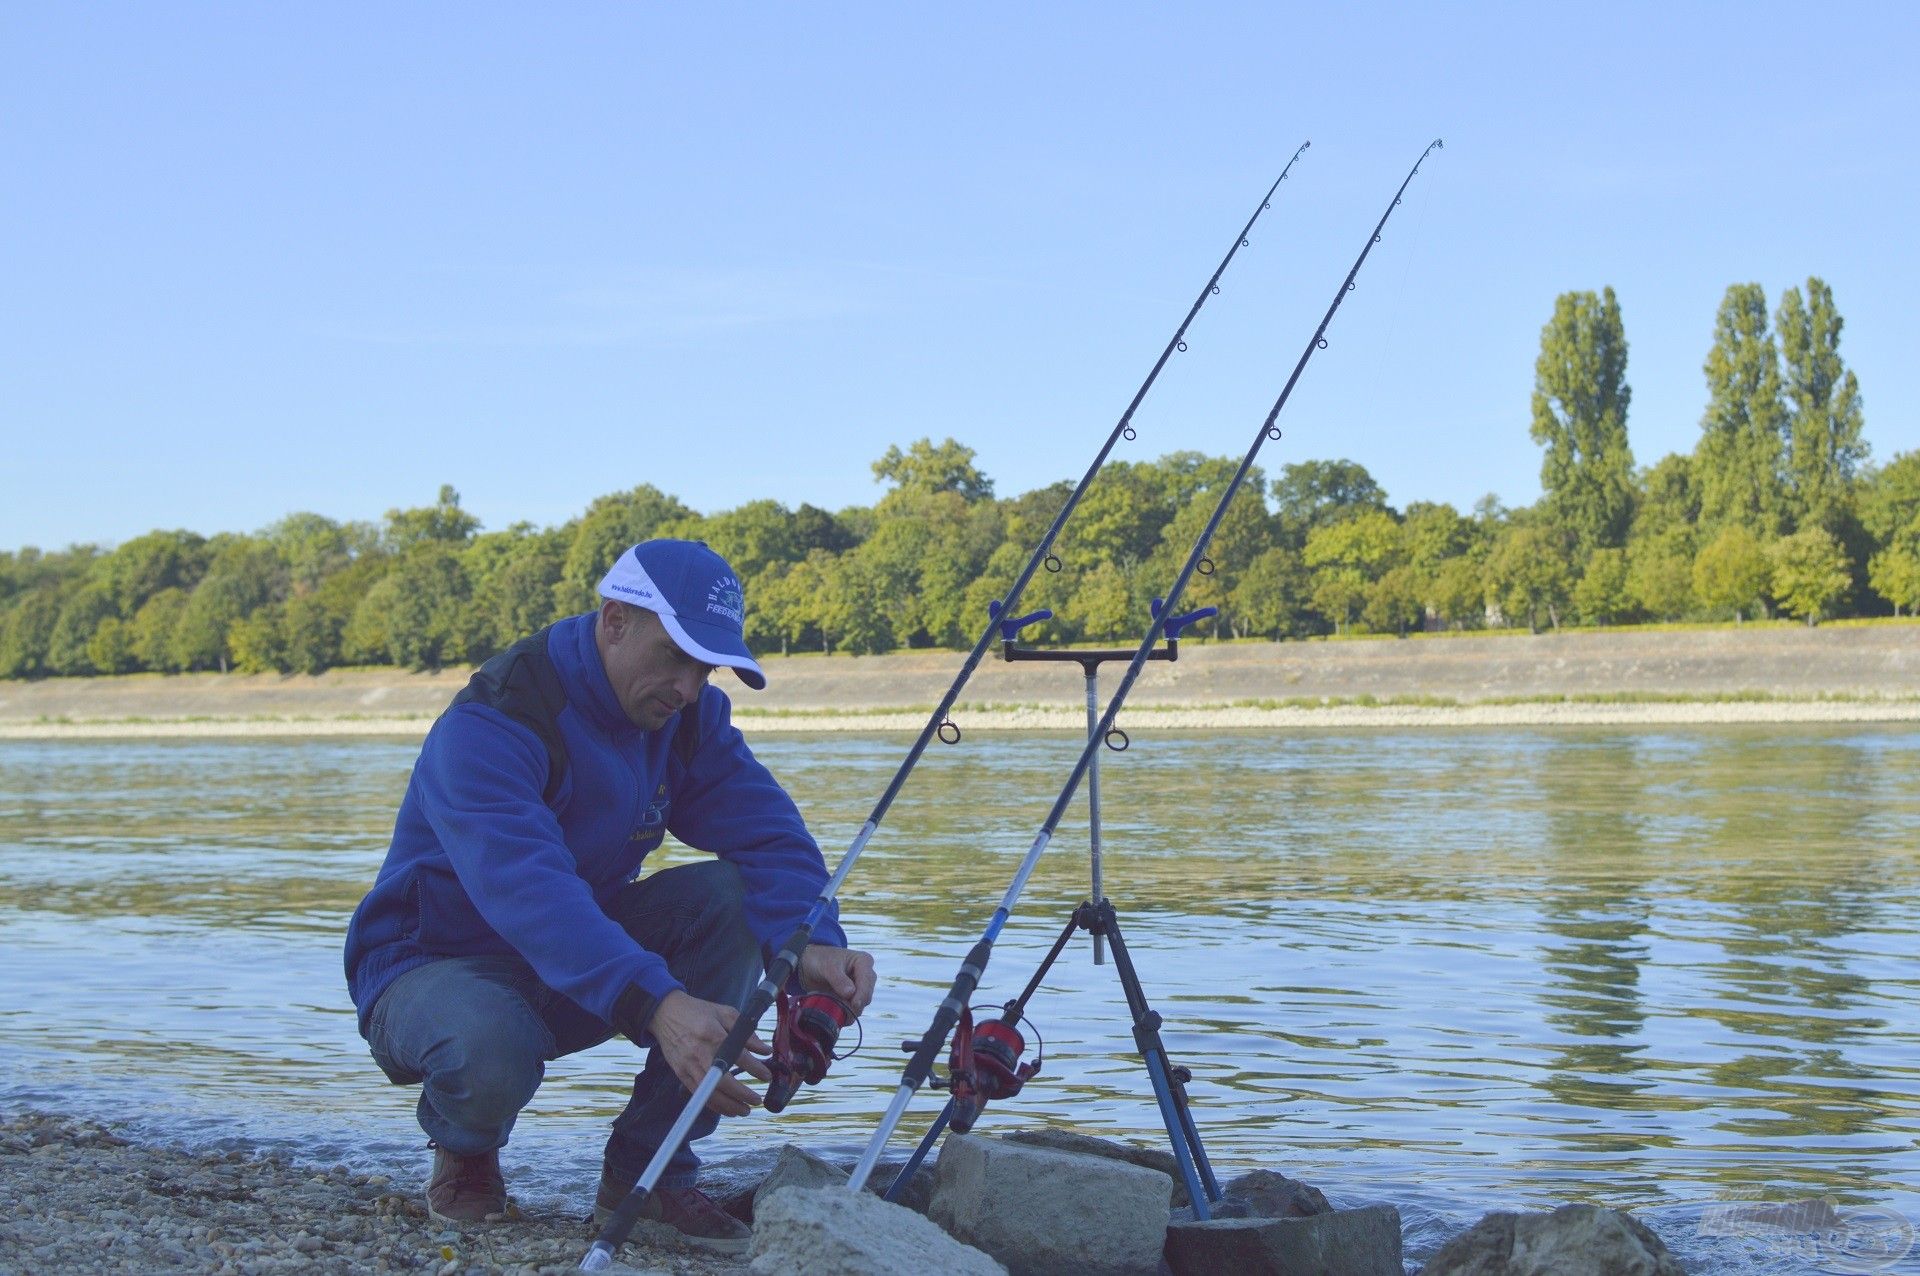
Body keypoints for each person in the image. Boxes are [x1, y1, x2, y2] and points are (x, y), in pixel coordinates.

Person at [343, 538, 876, 1254]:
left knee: (732, 896)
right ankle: (466, 1149)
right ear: (615, 620)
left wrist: (814, 942)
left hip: (568, 961)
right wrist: (659, 1004)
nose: (689, 686)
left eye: (706, 665)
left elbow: (770, 838)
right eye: (675, 656)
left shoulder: (686, 719)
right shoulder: (498, 719)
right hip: (432, 965)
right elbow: (531, 891)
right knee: (490, 1044)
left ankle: (650, 1177)